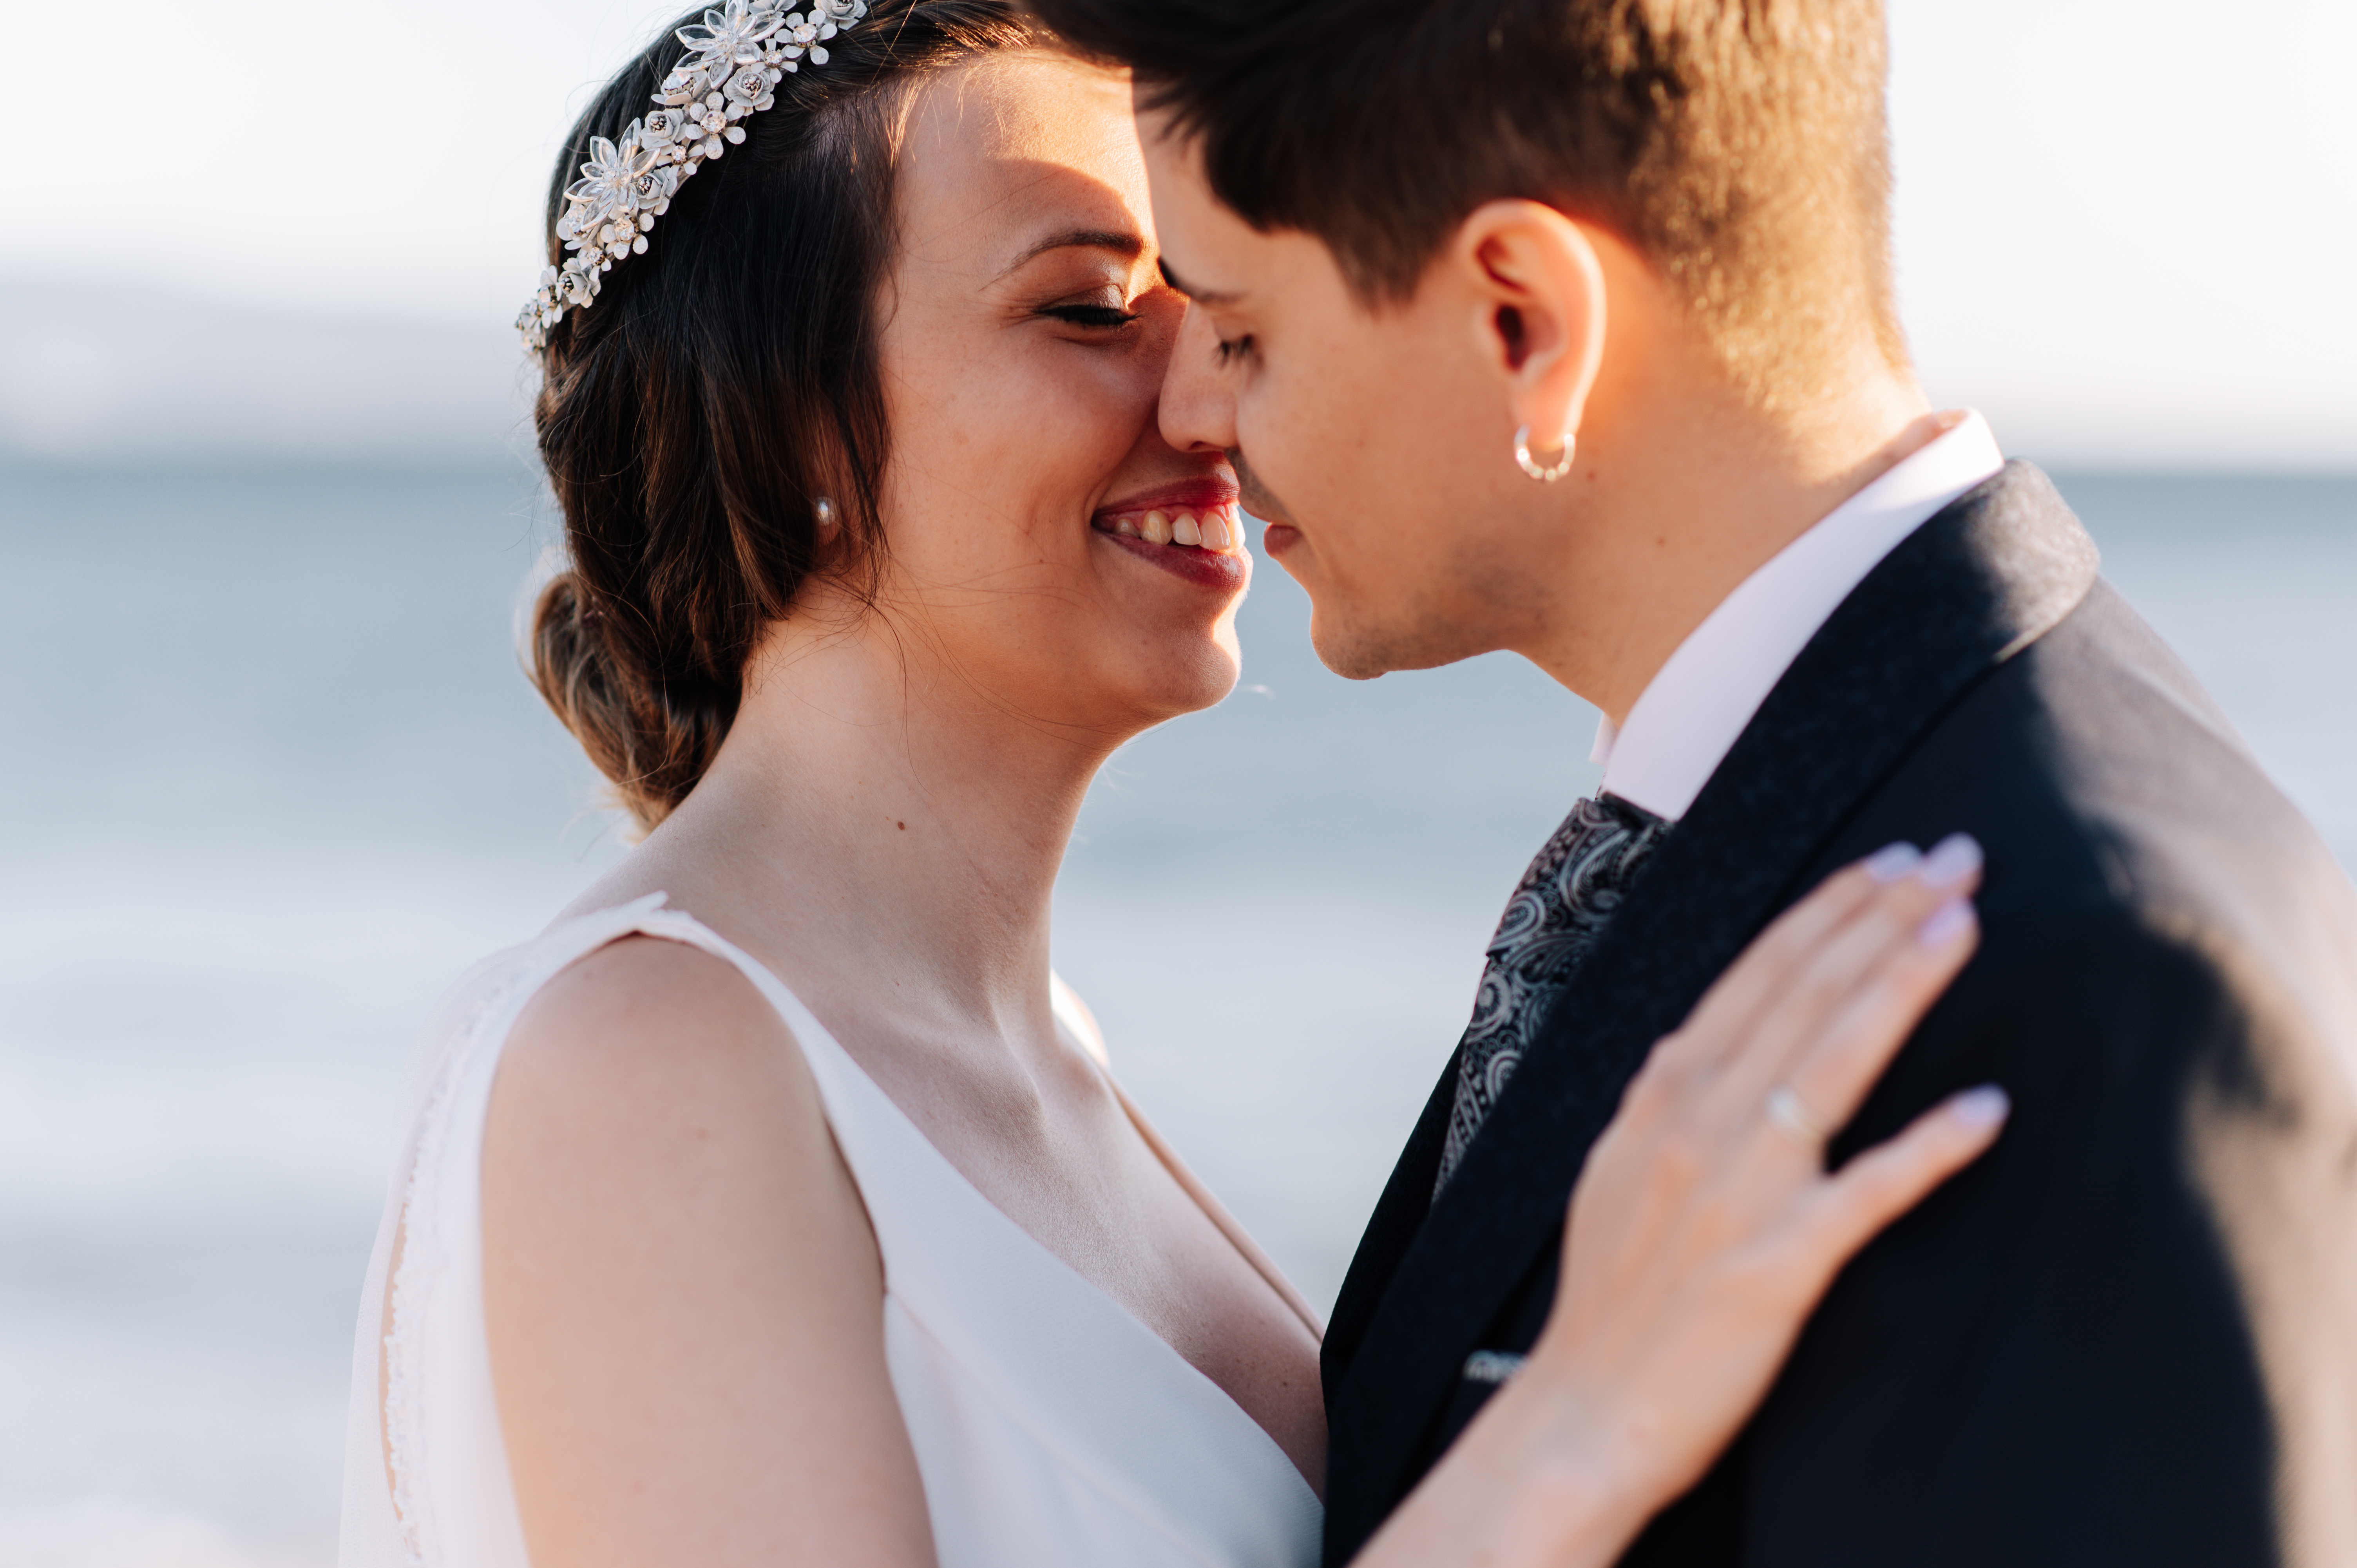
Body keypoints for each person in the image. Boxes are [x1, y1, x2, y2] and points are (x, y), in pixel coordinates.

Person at [340, 3, 2017, 1566]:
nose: (1212, 395)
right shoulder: (644, 1063)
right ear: (785, 432)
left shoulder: (1050, 1057)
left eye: (1211, 299)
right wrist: (1572, 1429)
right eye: (1087, 308)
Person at [1022, 1, 2357, 1564]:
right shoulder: (1796, 812)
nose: (1189, 412)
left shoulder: (2084, 977)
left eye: (1240, 330)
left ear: (1523, 317)